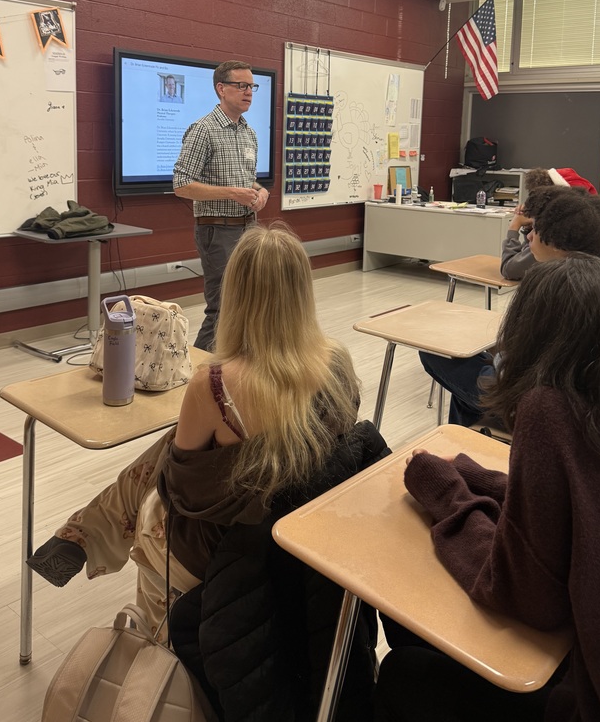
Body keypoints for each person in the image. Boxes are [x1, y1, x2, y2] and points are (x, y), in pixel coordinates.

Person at [374, 255, 600, 722]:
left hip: (599, 710)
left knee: (403, 670)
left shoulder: (549, 410)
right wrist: (481, 479)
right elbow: (588, 509)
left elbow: (527, 598)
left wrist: (449, 498)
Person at [27, 224, 387, 631]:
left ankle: (88, 539)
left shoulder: (215, 383)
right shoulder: (338, 362)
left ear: (235, 293)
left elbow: (180, 489)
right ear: (303, 289)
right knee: (164, 452)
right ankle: (84, 530)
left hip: (226, 549)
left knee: (153, 479)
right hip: (297, 529)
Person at [420, 188, 600, 427]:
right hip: (598, 409)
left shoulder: (548, 286)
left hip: (543, 409)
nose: (529, 237)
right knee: (467, 393)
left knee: (435, 351)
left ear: (558, 240)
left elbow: (517, 368)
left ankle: (467, 446)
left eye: (535, 229)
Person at [173, 60, 269, 350]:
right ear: (221, 88)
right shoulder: (203, 129)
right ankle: (197, 378)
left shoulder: (248, 132)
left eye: (251, 86)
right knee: (222, 309)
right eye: (241, 85)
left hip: (248, 228)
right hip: (217, 230)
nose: (248, 92)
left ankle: (231, 370)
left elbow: (248, 180)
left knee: (249, 304)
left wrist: (260, 191)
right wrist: (232, 194)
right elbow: (181, 184)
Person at [501, 167, 597, 280]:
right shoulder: (593, 233)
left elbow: (510, 270)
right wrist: (532, 227)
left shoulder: (554, 241)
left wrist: (514, 226)